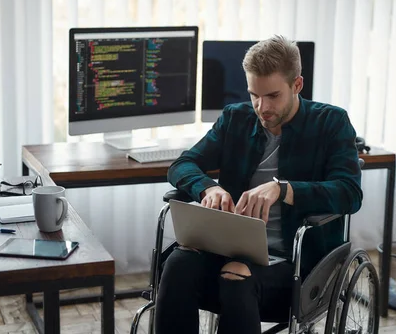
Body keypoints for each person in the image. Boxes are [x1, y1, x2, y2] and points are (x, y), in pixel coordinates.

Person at [155, 35, 363, 334]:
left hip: (296, 261)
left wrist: (285, 189)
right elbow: (182, 165)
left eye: (273, 96)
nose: (261, 107)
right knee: (176, 265)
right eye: (254, 94)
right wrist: (207, 188)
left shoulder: (332, 122)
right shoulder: (235, 118)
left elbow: (350, 194)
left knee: (236, 277)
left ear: (297, 85)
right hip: (231, 246)